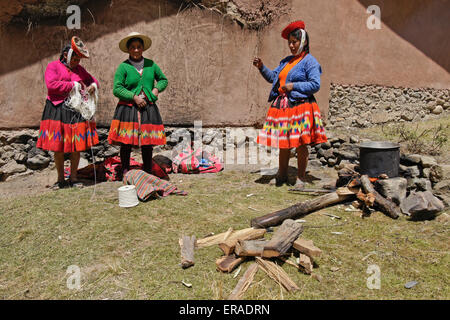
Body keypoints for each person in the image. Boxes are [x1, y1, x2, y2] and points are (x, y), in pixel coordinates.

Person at [254, 20, 327, 189]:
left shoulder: (310, 62)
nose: (292, 46)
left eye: (294, 42)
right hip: (284, 108)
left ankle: (300, 177)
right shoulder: (286, 61)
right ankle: (282, 174)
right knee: (284, 141)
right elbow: (274, 78)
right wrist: (261, 67)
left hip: (301, 107)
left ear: (303, 42)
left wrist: (294, 86)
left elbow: (315, 85)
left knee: (301, 143)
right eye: (290, 43)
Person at [37, 41, 99, 189]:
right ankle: (60, 179)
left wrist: (92, 86)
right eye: (74, 59)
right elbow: (51, 85)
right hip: (56, 108)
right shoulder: (53, 66)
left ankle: (74, 177)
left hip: (74, 109)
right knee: (58, 146)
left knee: (76, 146)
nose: (76, 62)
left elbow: (92, 80)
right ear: (66, 55)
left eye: (78, 60)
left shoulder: (79, 69)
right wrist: (73, 85)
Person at [108, 32, 168, 178]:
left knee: (147, 142)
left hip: (148, 107)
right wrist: (133, 97)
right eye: (133, 47)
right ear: (128, 49)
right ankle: (126, 171)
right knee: (126, 142)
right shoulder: (123, 67)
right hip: (128, 109)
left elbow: (163, 80)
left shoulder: (151, 64)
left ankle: (148, 171)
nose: (136, 50)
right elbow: (117, 88)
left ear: (143, 48)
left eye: (139, 47)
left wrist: (155, 90)